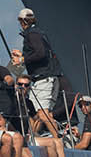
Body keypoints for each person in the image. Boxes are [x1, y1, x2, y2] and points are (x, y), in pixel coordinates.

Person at [11, 8, 64, 139]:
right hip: (45, 77)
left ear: (23, 22)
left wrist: (22, 59)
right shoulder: (37, 33)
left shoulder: (32, 34)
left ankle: (57, 139)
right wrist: (23, 55)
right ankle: (33, 137)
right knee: (40, 113)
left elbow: (40, 53)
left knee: (43, 113)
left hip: (44, 78)